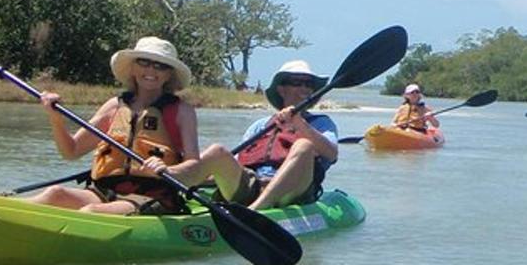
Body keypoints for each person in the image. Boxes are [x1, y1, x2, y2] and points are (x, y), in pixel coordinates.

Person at [26, 37, 200, 214]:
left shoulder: (182, 111)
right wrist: (56, 119)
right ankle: (2, 215)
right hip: (105, 190)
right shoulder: (114, 106)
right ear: (133, 67)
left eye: (160, 66)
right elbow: (71, 151)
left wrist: (167, 170)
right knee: (55, 194)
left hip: (153, 194)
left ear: (169, 74)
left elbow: (193, 162)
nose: (150, 70)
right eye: (144, 62)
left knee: (91, 212)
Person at [182, 60, 338, 211]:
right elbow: (238, 164)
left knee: (304, 145)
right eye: (297, 82)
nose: (305, 88)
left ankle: (256, 209)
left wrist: (299, 122)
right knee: (217, 152)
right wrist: (209, 175)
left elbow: (331, 154)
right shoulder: (260, 125)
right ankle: (167, 187)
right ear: (281, 89)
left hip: (293, 189)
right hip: (253, 184)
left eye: (309, 84)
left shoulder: (321, 123)